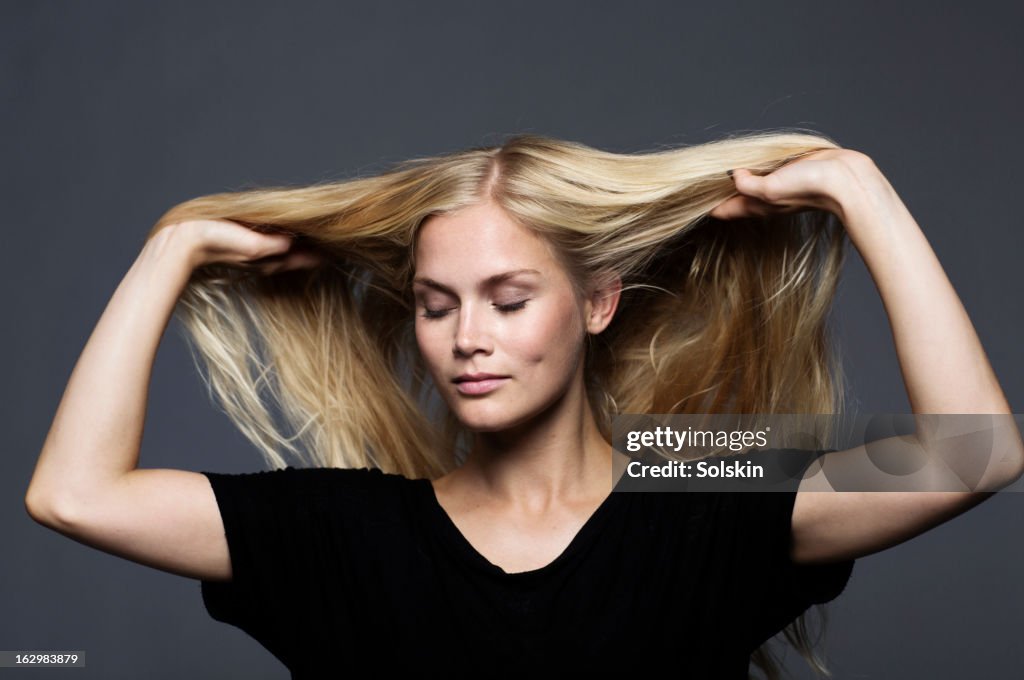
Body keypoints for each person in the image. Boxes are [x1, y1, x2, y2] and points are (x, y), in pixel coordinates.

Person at [25, 132, 1023, 679]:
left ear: (595, 303)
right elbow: (75, 493)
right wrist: (174, 250)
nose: (468, 336)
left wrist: (859, 187)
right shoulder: (346, 528)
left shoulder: (698, 481)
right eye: (434, 304)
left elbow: (973, 452)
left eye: (508, 299)